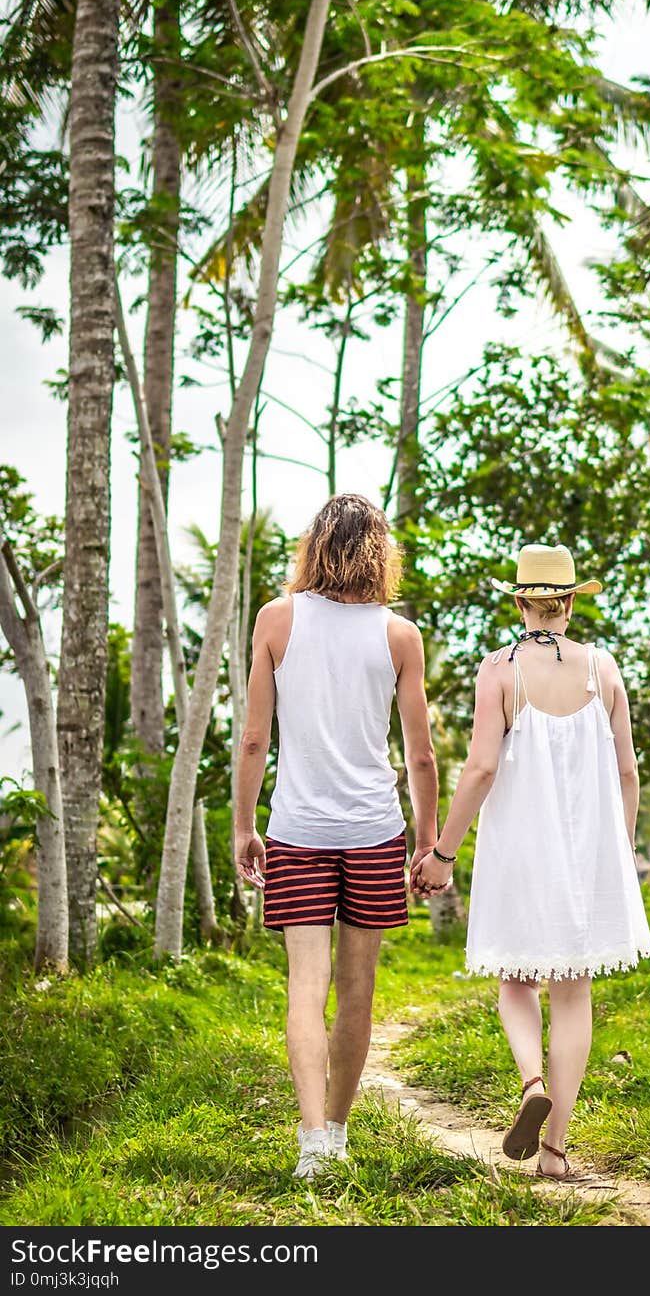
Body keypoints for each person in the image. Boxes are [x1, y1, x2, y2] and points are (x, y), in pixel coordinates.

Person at [414, 543, 650, 1179]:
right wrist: (621, 851)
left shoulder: (498, 672)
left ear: (520, 601)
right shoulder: (603, 670)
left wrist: (442, 851)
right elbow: (628, 771)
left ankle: (529, 1084)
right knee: (574, 996)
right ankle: (555, 1152)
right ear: (570, 603)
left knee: (514, 981)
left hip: (517, 851)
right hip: (587, 858)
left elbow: (482, 767)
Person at [234, 494, 438, 1179]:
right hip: (375, 832)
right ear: (379, 549)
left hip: (296, 831)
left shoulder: (276, 620)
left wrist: (243, 827)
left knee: (304, 990)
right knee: (358, 991)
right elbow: (421, 756)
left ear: (315, 546)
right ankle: (341, 1133)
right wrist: (428, 841)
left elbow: (255, 738)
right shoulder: (399, 634)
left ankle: (313, 1141)